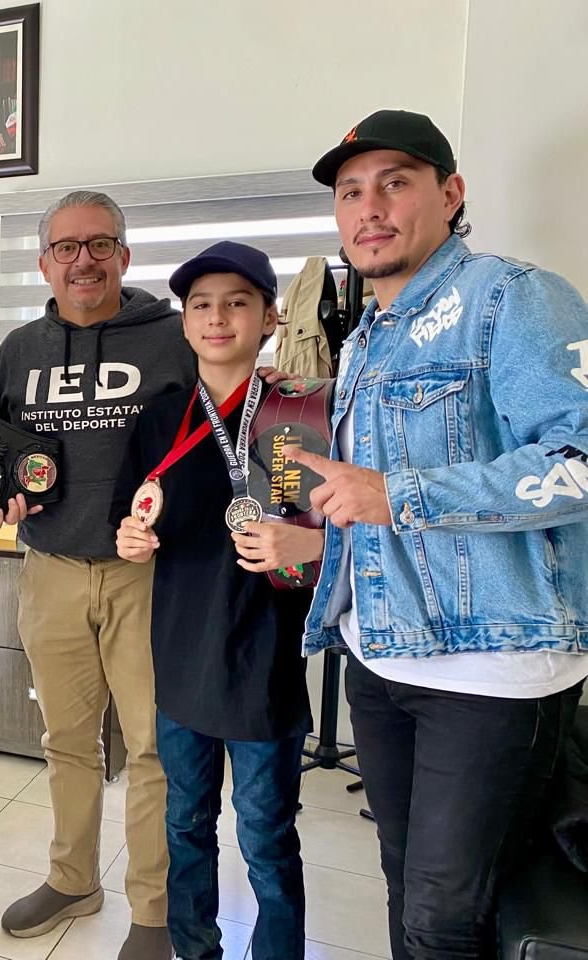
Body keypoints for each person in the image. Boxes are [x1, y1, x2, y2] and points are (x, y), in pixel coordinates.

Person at [296, 109, 588, 959]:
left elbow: (580, 456)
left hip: (491, 669)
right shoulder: (367, 337)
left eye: (395, 183)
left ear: (451, 193)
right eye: (351, 192)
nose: (369, 208)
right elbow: (365, 501)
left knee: (445, 919)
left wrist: (404, 494)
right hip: (381, 656)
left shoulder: (511, 296)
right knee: (404, 886)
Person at [0, 190, 194, 960]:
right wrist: (1, 496)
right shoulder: (16, 352)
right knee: (67, 741)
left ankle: (154, 911)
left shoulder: (175, 339)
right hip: (50, 569)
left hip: (150, 576)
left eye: (100, 244)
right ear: (44, 262)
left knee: (152, 749)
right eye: (67, 247)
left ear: (124, 257)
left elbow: (210, 451)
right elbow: (1, 459)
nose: (84, 260)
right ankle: (73, 879)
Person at [115, 242, 316, 960]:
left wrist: (308, 544)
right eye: (201, 305)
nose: (218, 317)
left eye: (237, 302)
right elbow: (129, 518)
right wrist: (131, 540)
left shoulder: (297, 410)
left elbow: (327, 529)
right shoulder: (159, 418)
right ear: (185, 323)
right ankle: (194, 950)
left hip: (266, 659)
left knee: (266, 836)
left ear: (270, 317)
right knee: (186, 826)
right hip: (182, 656)